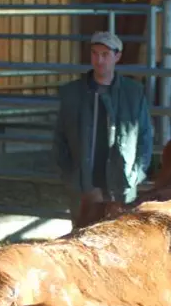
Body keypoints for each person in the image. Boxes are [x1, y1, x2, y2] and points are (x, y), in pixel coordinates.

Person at [54, 31, 154, 227]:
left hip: (120, 182)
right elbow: (60, 138)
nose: (99, 60)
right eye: (94, 53)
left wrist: (135, 175)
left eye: (105, 54)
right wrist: (70, 176)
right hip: (83, 182)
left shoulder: (133, 93)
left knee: (120, 234)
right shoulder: (72, 93)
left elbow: (145, 136)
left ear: (117, 57)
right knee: (82, 237)